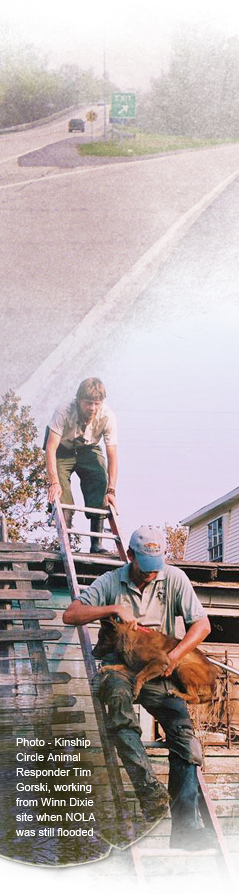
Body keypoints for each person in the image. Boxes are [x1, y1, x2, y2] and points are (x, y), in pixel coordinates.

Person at [63, 525, 218, 849]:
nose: (150, 575)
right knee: (120, 714)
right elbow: (71, 614)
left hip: (158, 670)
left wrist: (175, 656)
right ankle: (150, 795)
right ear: (130, 556)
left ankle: (186, 827)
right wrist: (112, 609)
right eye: (144, 568)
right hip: (118, 668)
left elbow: (201, 625)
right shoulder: (110, 581)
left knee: (184, 737)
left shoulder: (173, 578)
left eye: (155, 568)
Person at [45, 377, 118, 553]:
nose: (92, 408)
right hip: (62, 449)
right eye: (88, 403)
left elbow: (112, 455)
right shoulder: (64, 410)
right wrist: (54, 482)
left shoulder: (108, 416)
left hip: (88, 448)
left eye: (97, 403)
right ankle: (66, 543)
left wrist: (111, 490)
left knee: (100, 479)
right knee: (61, 494)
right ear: (79, 400)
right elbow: (50, 447)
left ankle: (96, 544)